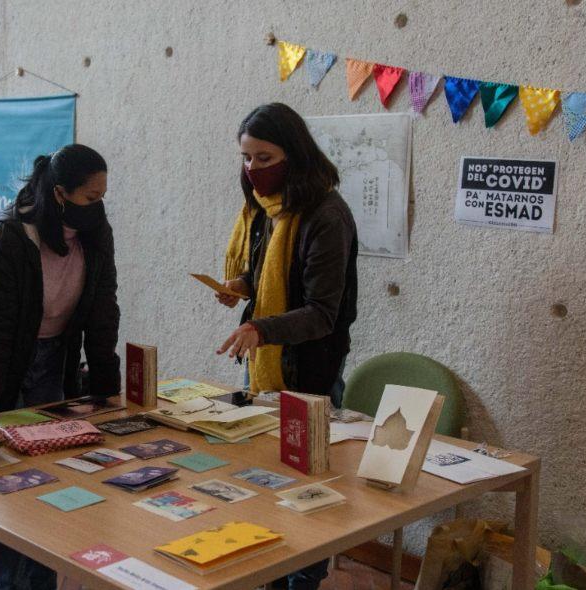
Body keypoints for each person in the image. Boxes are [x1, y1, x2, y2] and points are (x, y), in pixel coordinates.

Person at [0, 143, 120, 590]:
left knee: (48, 483)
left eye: (103, 197)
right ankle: (11, 584)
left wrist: (107, 389)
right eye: (90, 198)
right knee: (3, 484)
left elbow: (104, 311)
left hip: (53, 364)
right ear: (60, 194)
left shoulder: (96, 231)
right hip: (1, 363)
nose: (97, 206)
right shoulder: (11, 233)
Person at [214, 102, 358, 590]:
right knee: (263, 483)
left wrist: (261, 328)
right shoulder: (264, 210)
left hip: (311, 372)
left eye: (264, 157)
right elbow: (269, 278)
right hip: (264, 365)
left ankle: (302, 582)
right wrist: (240, 286)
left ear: (293, 154)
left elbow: (322, 312)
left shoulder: (326, 215)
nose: (253, 169)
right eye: (246, 158)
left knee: (308, 499)